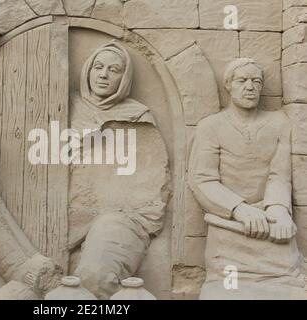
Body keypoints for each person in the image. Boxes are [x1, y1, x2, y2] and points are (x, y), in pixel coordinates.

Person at [189, 58, 306, 299]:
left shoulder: (279, 123)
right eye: (242, 80)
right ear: (229, 85)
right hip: (230, 232)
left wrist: (278, 209)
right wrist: (239, 209)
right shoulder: (210, 126)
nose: (250, 86)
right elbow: (203, 179)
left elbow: (279, 174)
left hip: (273, 229)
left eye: (256, 81)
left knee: (290, 290)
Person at [69, 42, 170, 299]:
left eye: (114, 70)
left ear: (124, 79)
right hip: (65, 208)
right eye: (98, 67)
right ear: (87, 71)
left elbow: (151, 176)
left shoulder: (137, 115)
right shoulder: (65, 107)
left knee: (96, 274)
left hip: (120, 213)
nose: (103, 75)